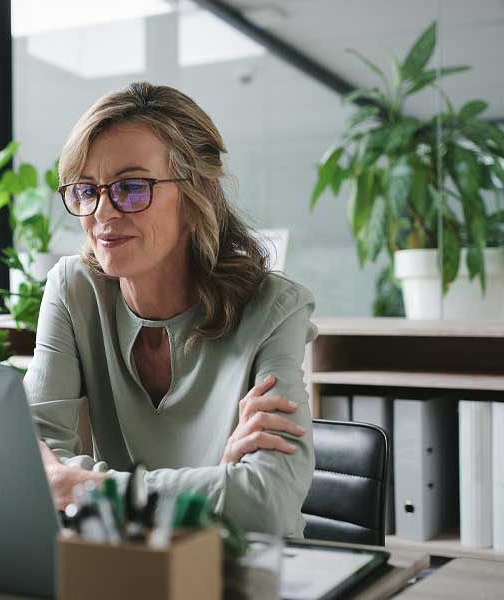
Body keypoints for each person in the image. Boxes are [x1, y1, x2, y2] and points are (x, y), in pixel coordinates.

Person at [24, 81, 316, 536]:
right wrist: (216, 484)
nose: (102, 212)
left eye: (131, 188)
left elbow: (267, 503)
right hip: (123, 561)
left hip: (243, 565)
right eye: (85, 190)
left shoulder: (275, 308)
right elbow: (28, 465)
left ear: (197, 194)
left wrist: (82, 485)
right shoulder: (74, 288)